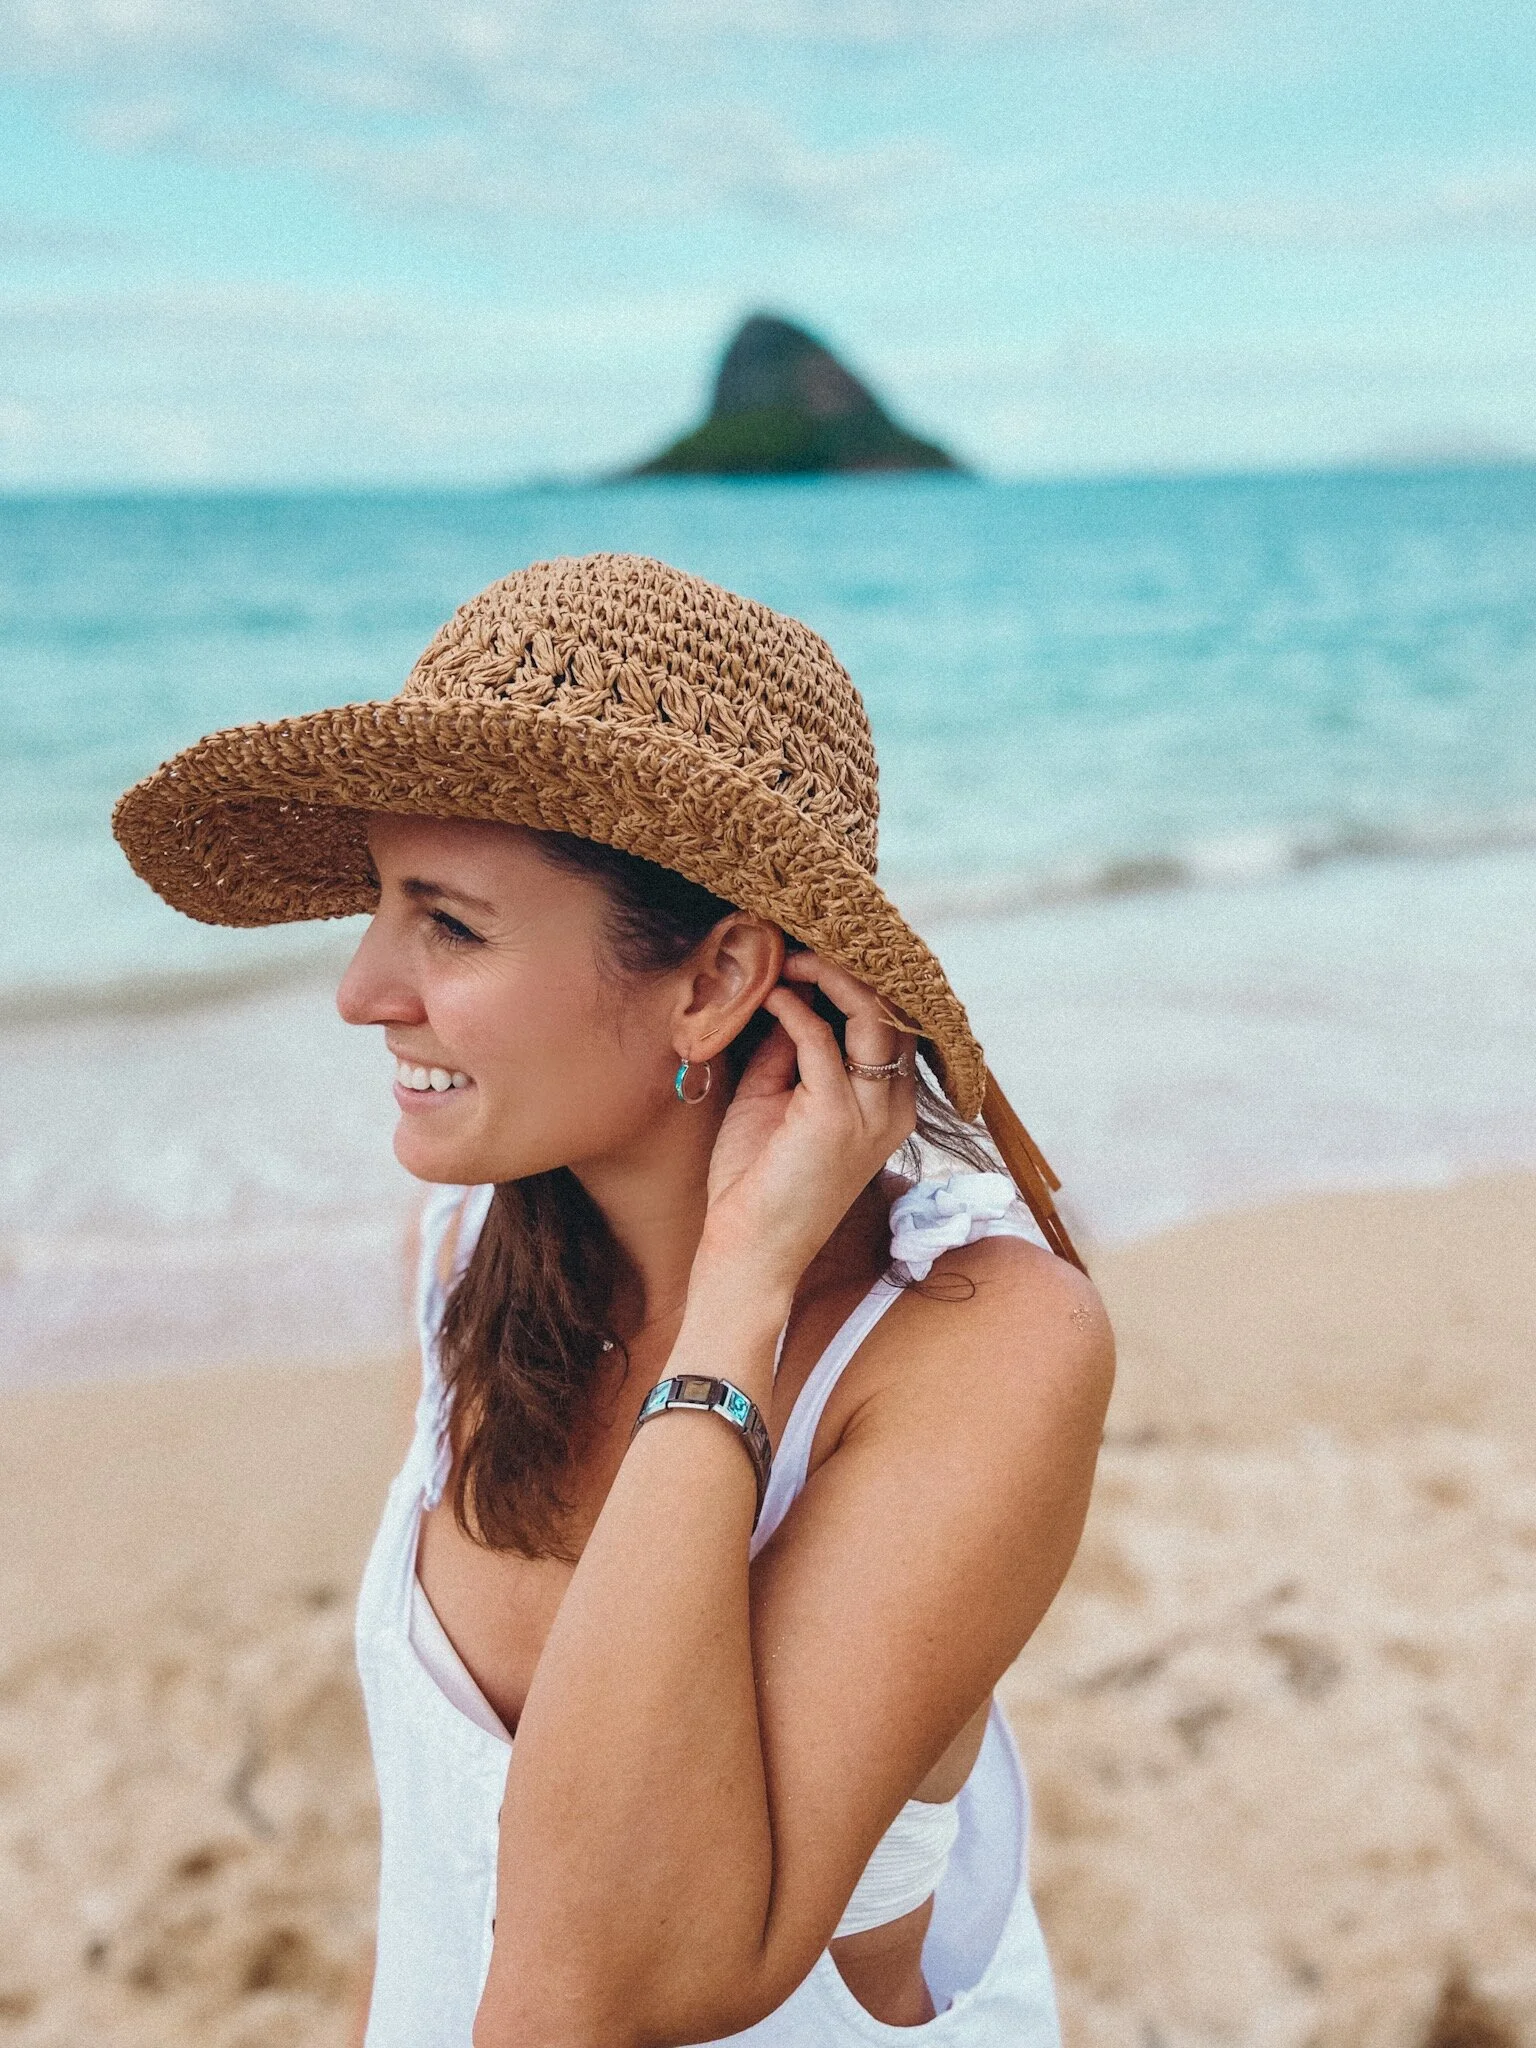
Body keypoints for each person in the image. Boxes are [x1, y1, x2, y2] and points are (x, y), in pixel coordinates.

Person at [114, 553, 1113, 2046]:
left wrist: (737, 1297)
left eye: (446, 923)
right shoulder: (462, 1263)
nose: (363, 986)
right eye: (382, 907)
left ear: (713, 982)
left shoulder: (982, 1352)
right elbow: (443, 1879)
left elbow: (616, 1982)